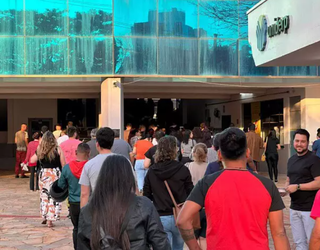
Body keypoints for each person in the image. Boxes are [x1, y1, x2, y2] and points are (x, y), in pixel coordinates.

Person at [177, 127, 290, 250]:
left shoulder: (207, 183)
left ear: (219, 155)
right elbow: (279, 233)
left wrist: (195, 248)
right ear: (247, 153)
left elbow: (182, 220)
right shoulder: (267, 185)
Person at [77, 155, 170, 250]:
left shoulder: (88, 211)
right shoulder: (143, 205)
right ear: (129, 177)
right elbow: (160, 242)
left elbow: (82, 246)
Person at [143, 136, 193, 250]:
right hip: (180, 215)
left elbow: (146, 195)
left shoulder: (152, 171)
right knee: (179, 247)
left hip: (160, 215)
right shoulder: (182, 169)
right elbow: (190, 191)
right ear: (175, 150)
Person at [285, 129, 320, 250]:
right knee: (299, 243)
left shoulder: (314, 160)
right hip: (294, 207)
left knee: (313, 242)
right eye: (297, 141)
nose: (299, 144)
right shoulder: (291, 160)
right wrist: (286, 187)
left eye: (302, 141)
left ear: (308, 142)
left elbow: (319, 182)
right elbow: (289, 178)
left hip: (309, 210)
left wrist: (298, 187)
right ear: (293, 141)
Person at [30, 131, 66, 228]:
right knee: (54, 196)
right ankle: (50, 220)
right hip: (55, 174)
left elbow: (32, 160)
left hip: (44, 174)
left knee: (44, 195)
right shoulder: (58, 149)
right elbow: (63, 164)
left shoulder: (40, 149)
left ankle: (44, 217)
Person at [58, 143, 90, 249]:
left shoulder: (67, 168)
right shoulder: (91, 167)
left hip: (74, 203)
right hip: (89, 203)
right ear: (88, 153)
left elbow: (61, 185)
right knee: (90, 228)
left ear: (76, 153)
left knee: (76, 228)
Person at [79, 127, 115, 208]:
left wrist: (83, 215)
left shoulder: (89, 165)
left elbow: (84, 194)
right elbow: (134, 190)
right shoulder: (125, 162)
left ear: (97, 144)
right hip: (120, 210)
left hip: (98, 209)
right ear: (112, 143)